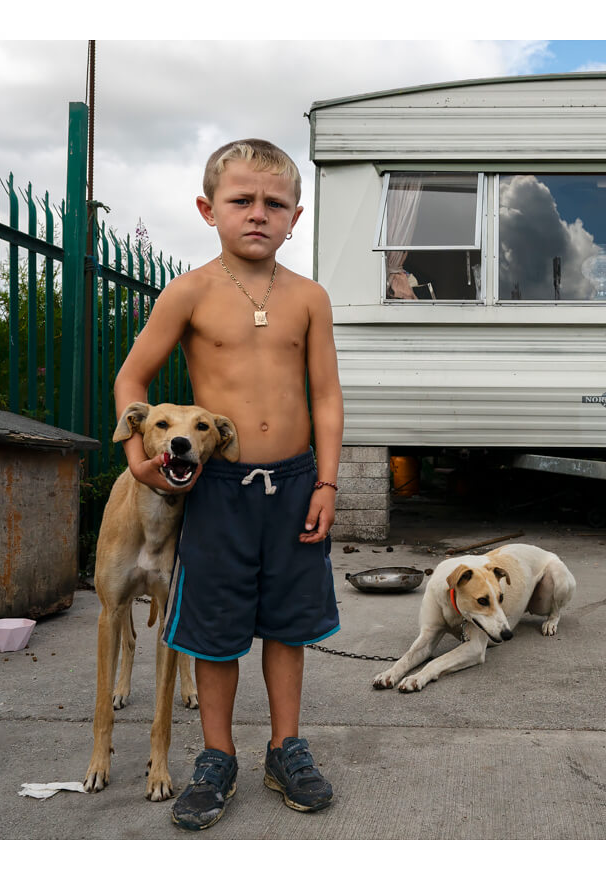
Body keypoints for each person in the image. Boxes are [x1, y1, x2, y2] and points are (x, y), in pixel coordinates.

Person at [112, 138, 344, 831]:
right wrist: (134, 454)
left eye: (274, 203)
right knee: (214, 631)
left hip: (296, 484)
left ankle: (286, 748)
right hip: (217, 491)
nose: (257, 214)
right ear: (208, 208)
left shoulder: (309, 298)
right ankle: (217, 756)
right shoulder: (189, 292)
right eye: (241, 200)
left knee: (286, 623)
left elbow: (327, 397)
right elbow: (132, 378)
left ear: (294, 216)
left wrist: (328, 482)